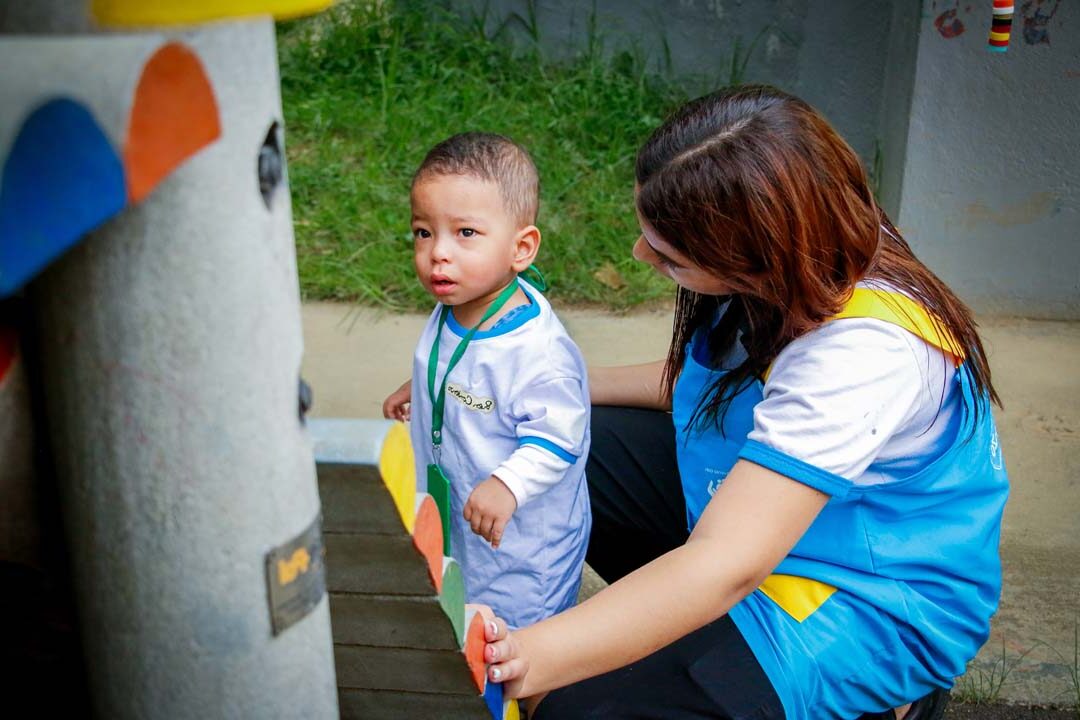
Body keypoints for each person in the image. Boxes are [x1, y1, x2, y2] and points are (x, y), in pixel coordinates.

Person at [476, 86, 1010, 719]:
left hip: (857, 593)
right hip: (768, 519)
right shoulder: (812, 240)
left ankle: (875, 703)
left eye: (669, 255)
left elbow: (722, 566)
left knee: (579, 709)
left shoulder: (865, 352)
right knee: (556, 447)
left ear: (756, 255)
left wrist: (523, 659)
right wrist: (547, 391)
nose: (640, 256)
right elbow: (714, 387)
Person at [382, 132, 591, 630]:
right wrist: (420, 383)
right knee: (458, 599)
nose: (438, 254)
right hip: (460, 504)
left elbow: (560, 436)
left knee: (508, 633)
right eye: (423, 232)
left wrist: (507, 483)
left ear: (521, 248)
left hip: (516, 544)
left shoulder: (538, 353)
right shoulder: (458, 302)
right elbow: (459, 360)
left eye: (466, 233)